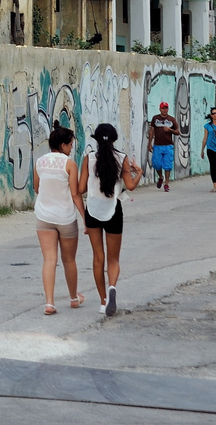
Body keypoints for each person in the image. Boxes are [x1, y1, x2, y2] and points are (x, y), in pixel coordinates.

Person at [82, 122, 141, 316]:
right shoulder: (121, 158)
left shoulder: (88, 159)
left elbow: (81, 188)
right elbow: (130, 186)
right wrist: (138, 172)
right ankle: (112, 287)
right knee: (113, 259)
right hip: (113, 210)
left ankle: (102, 301)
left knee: (98, 258)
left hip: (92, 211)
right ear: (114, 139)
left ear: (96, 140)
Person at [32, 125, 88, 315]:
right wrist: (85, 219)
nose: (72, 148)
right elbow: (75, 194)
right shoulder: (69, 164)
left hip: (44, 217)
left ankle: (49, 303)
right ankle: (73, 298)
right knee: (69, 260)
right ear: (63, 145)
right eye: (70, 144)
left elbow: (36, 187)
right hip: (65, 218)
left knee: (49, 259)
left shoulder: (39, 162)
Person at [147, 102, 178, 192]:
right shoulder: (155, 118)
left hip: (168, 145)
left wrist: (170, 130)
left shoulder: (172, 119)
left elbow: (177, 132)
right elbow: (152, 130)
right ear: (160, 109)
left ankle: (167, 183)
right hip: (157, 145)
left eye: (166, 108)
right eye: (163, 108)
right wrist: (150, 143)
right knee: (156, 164)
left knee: (167, 165)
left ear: (168, 109)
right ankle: (161, 176)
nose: (165, 110)